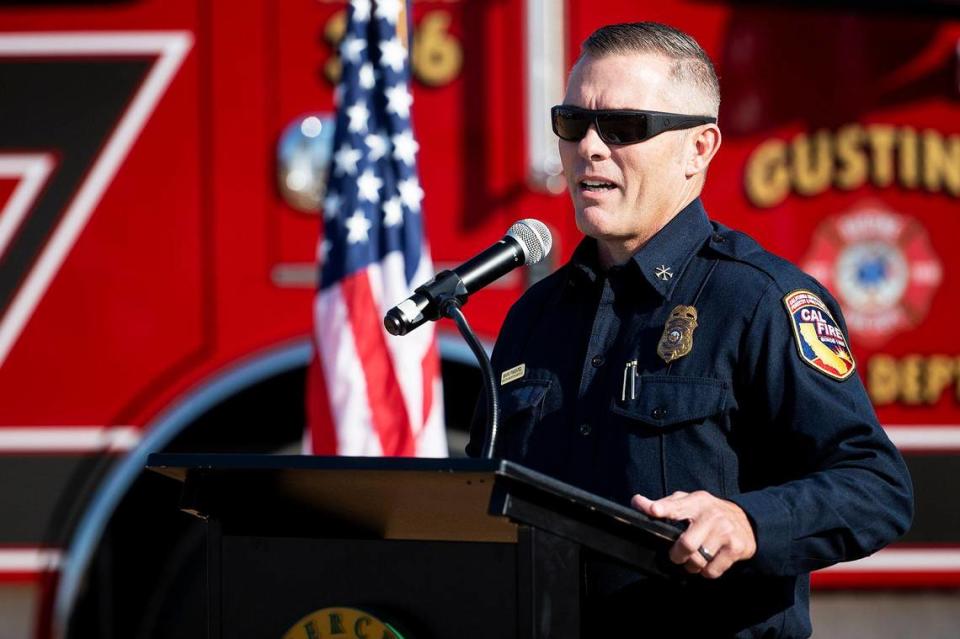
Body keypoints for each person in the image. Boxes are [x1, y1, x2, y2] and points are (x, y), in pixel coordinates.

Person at [467, 22, 912, 638]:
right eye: (572, 123)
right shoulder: (535, 316)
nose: (590, 148)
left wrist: (747, 523)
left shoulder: (760, 300)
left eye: (624, 128)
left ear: (699, 148)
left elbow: (876, 486)